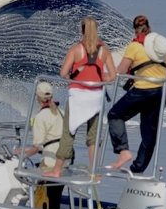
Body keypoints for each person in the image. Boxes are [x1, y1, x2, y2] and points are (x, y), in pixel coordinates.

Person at [42, 17, 116, 179]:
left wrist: (74, 77)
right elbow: (113, 76)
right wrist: (98, 80)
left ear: (81, 31)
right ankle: (94, 171)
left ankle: (57, 170)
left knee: (69, 133)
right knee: (93, 137)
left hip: (77, 97)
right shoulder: (104, 51)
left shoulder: (75, 50)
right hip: (96, 97)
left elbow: (63, 73)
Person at [108, 15, 166, 173]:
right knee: (149, 131)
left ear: (134, 30)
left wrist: (107, 75)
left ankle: (123, 151)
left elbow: (121, 71)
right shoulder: (161, 47)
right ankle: (138, 168)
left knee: (115, 115)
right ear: (149, 28)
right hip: (163, 90)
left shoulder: (134, 47)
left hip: (144, 89)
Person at [15, 82, 67, 209]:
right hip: (66, 159)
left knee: (45, 196)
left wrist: (23, 156)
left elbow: (37, 147)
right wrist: (27, 149)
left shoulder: (41, 116)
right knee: (55, 196)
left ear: (37, 97)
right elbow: (54, 139)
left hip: (51, 162)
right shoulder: (62, 112)